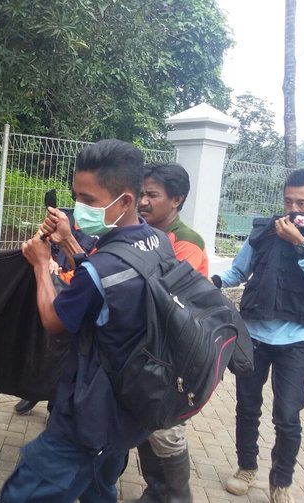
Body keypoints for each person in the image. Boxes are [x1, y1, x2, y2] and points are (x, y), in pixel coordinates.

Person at [0, 139, 173, 502]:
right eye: (75, 196)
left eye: (89, 201)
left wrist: (39, 267)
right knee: (99, 487)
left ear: (125, 200)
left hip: (88, 412)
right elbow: (106, 284)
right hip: (130, 405)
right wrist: (69, 244)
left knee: (22, 494)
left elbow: (53, 320)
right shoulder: (158, 242)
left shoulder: (102, 266)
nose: (78, 208)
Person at [213, 168, 304, 503]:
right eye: (288, 200)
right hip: (254, 337)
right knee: (247, 406)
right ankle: (246, 467)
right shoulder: (263, 231)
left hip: (296, 340)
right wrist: (209, 282)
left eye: (301, 203)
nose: (293, 208)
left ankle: (282, 481)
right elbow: (237, 271)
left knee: (288, 416)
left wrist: (301, 244)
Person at [125, 162, 209, 503]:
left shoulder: (186, 242)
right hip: (149, 348)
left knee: (167, 430)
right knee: (149, 425)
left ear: (176, 199)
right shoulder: (144, 235)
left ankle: (176, 497)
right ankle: (155, 492)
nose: (143, 201)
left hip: (175, 353)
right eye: (141, 193)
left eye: (152, 195)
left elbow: (164, 294)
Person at [13, 209, 98, 415]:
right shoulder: (62, 218)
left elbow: (91, 269)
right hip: (45, 286)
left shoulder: (101, 230)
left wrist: (61, 273)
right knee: (39, 345)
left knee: (62, 353)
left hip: (71, 294)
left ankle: (55, 407)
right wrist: (46, 258)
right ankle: (34, 391)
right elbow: (36, 240)